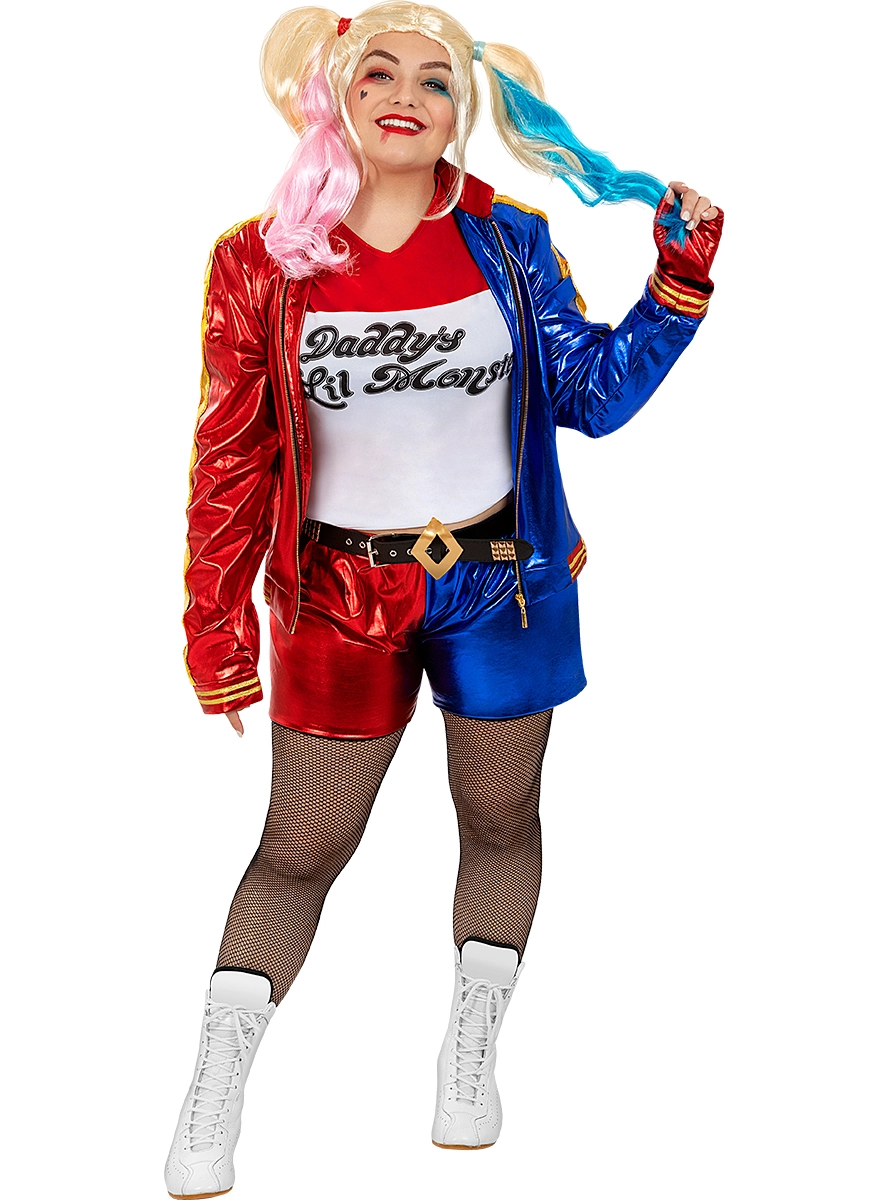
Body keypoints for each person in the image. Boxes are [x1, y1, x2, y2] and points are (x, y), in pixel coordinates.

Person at [165, 3, 723, 1195]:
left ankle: (470, 1051)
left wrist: (677, 281)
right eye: (379, 72)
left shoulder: (507, 238)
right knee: (301, 844)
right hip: (336, 594)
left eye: (434, 78)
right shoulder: (262, 259)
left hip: (503, 584)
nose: (405, 96)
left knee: (501, 818)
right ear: (335, 92)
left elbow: (590, 396)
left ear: (462, 108)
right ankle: (216, 1082)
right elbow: (232, 459)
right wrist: (214, 628)